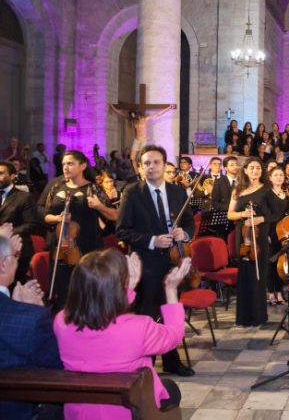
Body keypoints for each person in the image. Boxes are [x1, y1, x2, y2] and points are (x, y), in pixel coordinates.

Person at [54, 250, 189, 419]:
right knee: (171, 389)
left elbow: (102, 304)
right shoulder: (138, 327)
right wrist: (171, 289)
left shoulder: (61, 321)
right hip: (128, 411)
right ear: (118, 288)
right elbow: (175, 334)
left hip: (81, 412)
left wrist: (129, 286)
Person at [115, 145, 195, 376]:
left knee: (170, 311)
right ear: (141, 168)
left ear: (164, 164)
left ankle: (171, 361)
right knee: (148, 314)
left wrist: (184, 234)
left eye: (156, 162)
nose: (151, 167)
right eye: (146, 163)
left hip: (173, 261)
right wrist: (152, 240)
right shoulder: (132, 192)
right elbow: (122, 230)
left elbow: (189, 222)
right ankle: (145, 363)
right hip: (146, 263)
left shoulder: (177, 191)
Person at [0, 229, 62, 420]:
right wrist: (35, 309)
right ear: (3, 264)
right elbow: (59, 364)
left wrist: (16, 305)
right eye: (15, 256)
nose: (17, 262)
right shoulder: (32, 318)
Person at [44, 150, 117, 311]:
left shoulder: (93, 188)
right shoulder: (56, 187)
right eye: (64, 164)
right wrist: (57, 218)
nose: (65, 167)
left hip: (87, 245)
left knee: (86, 291)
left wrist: (99, 206)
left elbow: (114, 215)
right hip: (61, 246)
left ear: (83, 166)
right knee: (62, 291)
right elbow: (45, 215)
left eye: (70, 164)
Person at [227, 156, 271, 326]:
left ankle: (259, 316)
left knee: (259, 277)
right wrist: (243, 214)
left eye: (258, 168)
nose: (255, 170)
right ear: (245, 170)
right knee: (245, 275)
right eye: (251, 167)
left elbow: (273, 214)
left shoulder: (267, 189)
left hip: (260, 236)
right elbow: (230, 214)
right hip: (243, 237)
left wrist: (260, 219)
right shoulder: (237, 190)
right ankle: (244, 317)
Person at [0, 162, 39, 282]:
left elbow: (31, 224)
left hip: (18, 251)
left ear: (12, 176)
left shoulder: (24, 197)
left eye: (1, 173)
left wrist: (5, 233)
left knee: (13, 288)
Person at [264, 165, 288, 305]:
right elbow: (265, 215)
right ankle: (270, 293)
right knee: (270, 264)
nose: (279, 177)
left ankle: (279, 292)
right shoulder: (267, 194)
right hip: (271, 231)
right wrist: (266, 233)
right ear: (270, 178)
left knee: (281, 263)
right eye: (276, 175)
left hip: (283, 233)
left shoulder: (287, 193)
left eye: (281, 175)